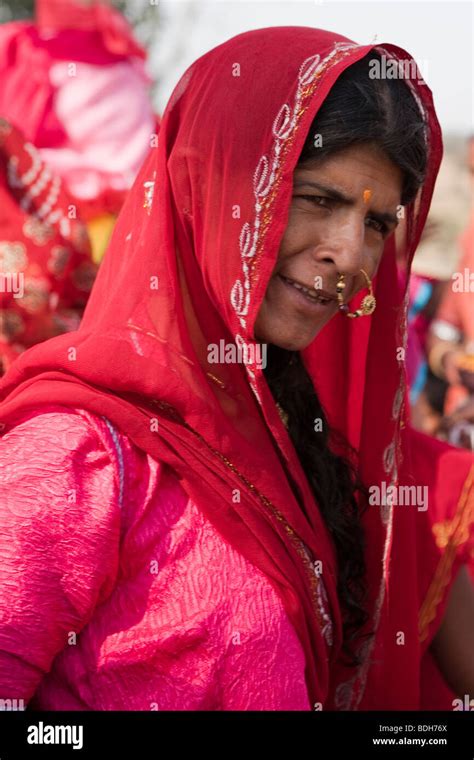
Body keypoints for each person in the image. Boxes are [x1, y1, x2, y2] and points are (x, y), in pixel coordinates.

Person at [0, 27, 472, 711]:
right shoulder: (77, 458)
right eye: (318, 199)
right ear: (209, 190)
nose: (350, 254)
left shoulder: (287, 440)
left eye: (376, 223)